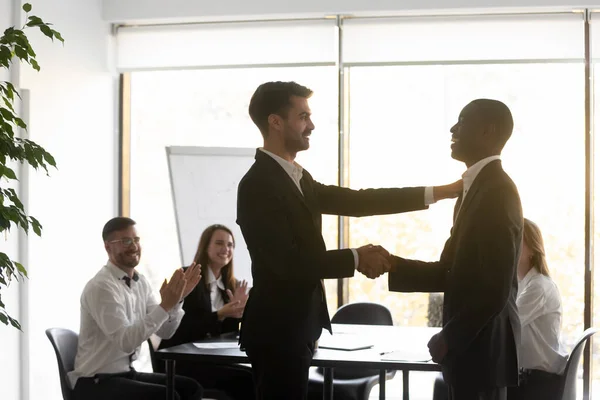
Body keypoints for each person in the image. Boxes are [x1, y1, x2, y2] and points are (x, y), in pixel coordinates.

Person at [236, 80, 462, 399]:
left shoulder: (297, 177)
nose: (311, 125)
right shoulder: (258, 184)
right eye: (303, 116)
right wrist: (356, 257)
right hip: (277, 331)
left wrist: (439, 192)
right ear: (275, 121)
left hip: (296, 328)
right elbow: (286, 264)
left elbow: (358, 202)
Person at [388, 99, 523, 400]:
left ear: (487, 131)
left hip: (482, 352)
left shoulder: (497, 191)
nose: (453, 128)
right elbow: (451, 271)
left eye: (462, 122)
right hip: (473, 353)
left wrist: (450, 336)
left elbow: (494, 287)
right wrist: (393, 266)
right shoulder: (474, 189)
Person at [68, 217, 203, 400]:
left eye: (136, 240)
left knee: (191, 388)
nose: (133, 246)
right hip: (94, 382)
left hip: (125, 374)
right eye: (125, 241)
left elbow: (165, 332)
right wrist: (165, 305)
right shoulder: (101, 286)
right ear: (108, 247)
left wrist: (177, 301)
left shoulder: (141, 282)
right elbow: (126, 342)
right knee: (167, 396)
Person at [159, 224, 254, 400]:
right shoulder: (188, 277)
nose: (226, 249)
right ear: (206, 246)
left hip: (209, 359)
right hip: (181, 360)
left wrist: (238, 313)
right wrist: (220, 314)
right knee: (245, 380)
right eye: (219, 243)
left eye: (230, 245)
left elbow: (223, 337)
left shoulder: (230, 284)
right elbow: (182, 328)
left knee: (252, 376)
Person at [507, 218, 568, 400]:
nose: (511, 244)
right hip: (530, 379)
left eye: (518, 239)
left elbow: (507, 324)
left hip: (538, 384)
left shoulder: (538, 287)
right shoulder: (523, 284)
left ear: (532, 250)